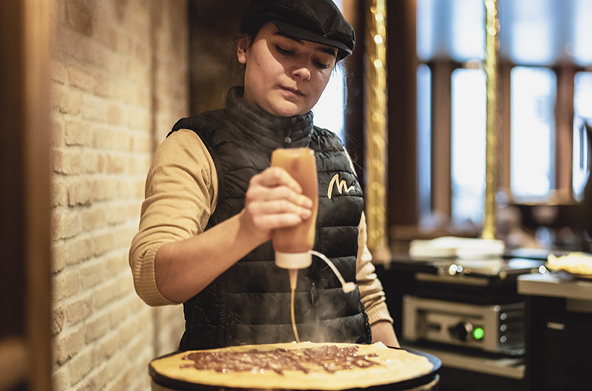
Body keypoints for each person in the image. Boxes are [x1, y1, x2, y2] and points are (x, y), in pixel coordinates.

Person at [129, 0, 398, 351]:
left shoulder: (335, 153)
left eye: (321, 62)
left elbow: (361, 283)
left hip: (339, 388)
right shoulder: (195, 147)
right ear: (243, 47)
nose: (303, 71)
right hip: (234, 390)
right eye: (286, 50)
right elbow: (151, 276)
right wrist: (246, 228)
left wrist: (402, 374)